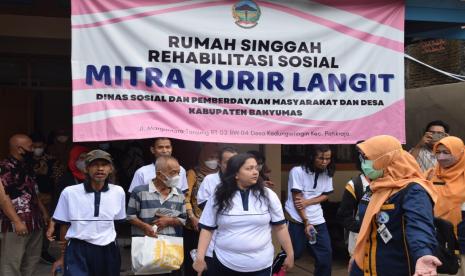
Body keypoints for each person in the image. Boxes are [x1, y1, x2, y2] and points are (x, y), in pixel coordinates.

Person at [350, 135, 441, 276]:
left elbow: (419, 225)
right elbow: (366, 227)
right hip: (364, 266)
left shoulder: (413, 190)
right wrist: (357, 256)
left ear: (385, 159)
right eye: (361, 157)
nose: (363, 162)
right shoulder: (376, 186)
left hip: (393, 267)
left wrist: (423, 253)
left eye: (367, 157)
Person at [193, 153, 294, 275]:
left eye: (256, 168)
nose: (255, 172)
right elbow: (207, 229)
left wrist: (290, 253)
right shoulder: (218, 196)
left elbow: (281, 227)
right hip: (225, 263)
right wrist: (200, 258)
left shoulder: (268, 195)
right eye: (249, 168)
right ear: (236, 174)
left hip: (261, 264)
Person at [51, 150, 126, 276]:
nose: (100, 169)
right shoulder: (70, 192)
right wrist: (62, 256)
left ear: (110, 169)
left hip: (108, 249)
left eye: (104, 165)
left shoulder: (118, 192)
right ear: (86, 169)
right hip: (78, 248)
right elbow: (64, 225)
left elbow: (116, 222)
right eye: (95, 165)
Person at [127, 156, 187, 276]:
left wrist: (169, 221)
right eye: (173, 173)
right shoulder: (139, 192)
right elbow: (130, 216)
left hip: (169, 250)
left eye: (178, 173)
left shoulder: (179, 194)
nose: (177, 177)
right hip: (146, 248)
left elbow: (183, 219)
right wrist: (145, 226)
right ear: (159, 174)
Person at [0, 134, 50, 276]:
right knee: (11, 263)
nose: (34, 149)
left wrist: (44, 212)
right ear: (20, 149)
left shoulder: (27, 166)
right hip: (16, 224)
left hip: (35, 221)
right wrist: (16, 221)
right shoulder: (4, 168)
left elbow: (33, 192)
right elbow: (3, 198)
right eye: (31, 147)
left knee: (32, 260)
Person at [284, 144, 334, 276]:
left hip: (317, 219)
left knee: (325, 256)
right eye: (321, 158)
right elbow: (298, 201)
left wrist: (309, 201)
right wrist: (306, 222)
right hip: (296, 218)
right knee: (293, 254)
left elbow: (326, 195)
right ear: (311, 157)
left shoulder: (328, 172)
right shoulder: (297, 171)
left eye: (328, 158)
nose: (324, 162)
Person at [427, 136, 465, 275]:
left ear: (459, 152)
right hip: (435, 240)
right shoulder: (431, 174)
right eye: (438, 152)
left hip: (461, 243)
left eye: (447, 152)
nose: (441, 157)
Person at [184, 143, 219, 276]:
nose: (214, 160)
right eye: (210, 156)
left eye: (216, 157)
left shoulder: (221, 175)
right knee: (194, 260)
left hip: (214, 226)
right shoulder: (193, 172)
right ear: (203, 156)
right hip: (195, 225)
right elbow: (185, 197)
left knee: (210, 261)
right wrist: (192, 216)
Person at [31, 133, 63, 264]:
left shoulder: (52, 160)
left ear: (44, 146)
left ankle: (43, 250)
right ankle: (30, 251)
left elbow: (58, 179)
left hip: (47, 197)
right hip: (28, 198)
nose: (38, 148)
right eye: (35, 146)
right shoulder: (25, 160)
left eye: (40, 146)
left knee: (46, 223)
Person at [337, 142, 370, 256]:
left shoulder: (387, 182)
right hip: (359, 240)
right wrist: (361, 228)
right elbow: (343, 216)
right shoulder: (355, 185)